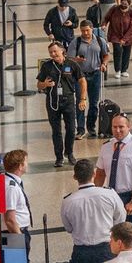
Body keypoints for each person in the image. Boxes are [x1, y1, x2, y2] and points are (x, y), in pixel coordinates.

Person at [93, 110, 132, 241]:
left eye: (121, 127)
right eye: (115, 127)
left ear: (129, 127)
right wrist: (95, 195)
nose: (118, 130)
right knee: (114, 236)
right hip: (111, 196)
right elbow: (100, 174)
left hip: (130, 196)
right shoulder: (106, 146)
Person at [36, 39, 86, 168]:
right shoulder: (47, 66)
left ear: (62, 51)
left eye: (55, 51)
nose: (53, 54)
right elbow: (39, 85)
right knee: (56, 131)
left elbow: (82, 81)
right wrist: (45, 84)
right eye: (51, 52)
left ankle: (69, 153)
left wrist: (83, 99)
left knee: (70, 129)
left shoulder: (72, 64)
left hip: (68, 100)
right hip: (53, 101)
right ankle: (59, 157)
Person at [68, 21, 110, 136]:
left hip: (95, 73)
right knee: (80, 102)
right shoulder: (75, 42)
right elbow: (69, 59)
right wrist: (76, 60)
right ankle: (80, 129)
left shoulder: (100, 41)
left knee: (94, 103)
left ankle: (91, 127)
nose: (85, 33)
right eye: (82, 31)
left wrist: (104, 64)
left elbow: (106, 55)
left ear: (92, 29)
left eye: (87, 30)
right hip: (80, 76)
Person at [0, 149, 31, 239]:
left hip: (15, 231)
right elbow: (9, 220)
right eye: (26, 162)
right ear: (20, 166)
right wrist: (19, 239)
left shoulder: (9, 181)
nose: (27, 164)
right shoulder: (11, 188)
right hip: (15, 232)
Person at [106, 0, 132, 77]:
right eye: (122, 3)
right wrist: (103, 24)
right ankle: (118, 70)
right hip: (115, 34)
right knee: (117, 51)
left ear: (129, 5)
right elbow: (107, 17)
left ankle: (124, 70)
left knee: (126, 52)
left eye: (125, 4)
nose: (123, 5)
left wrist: (124, 39)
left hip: (128, 35)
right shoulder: (114, 9)